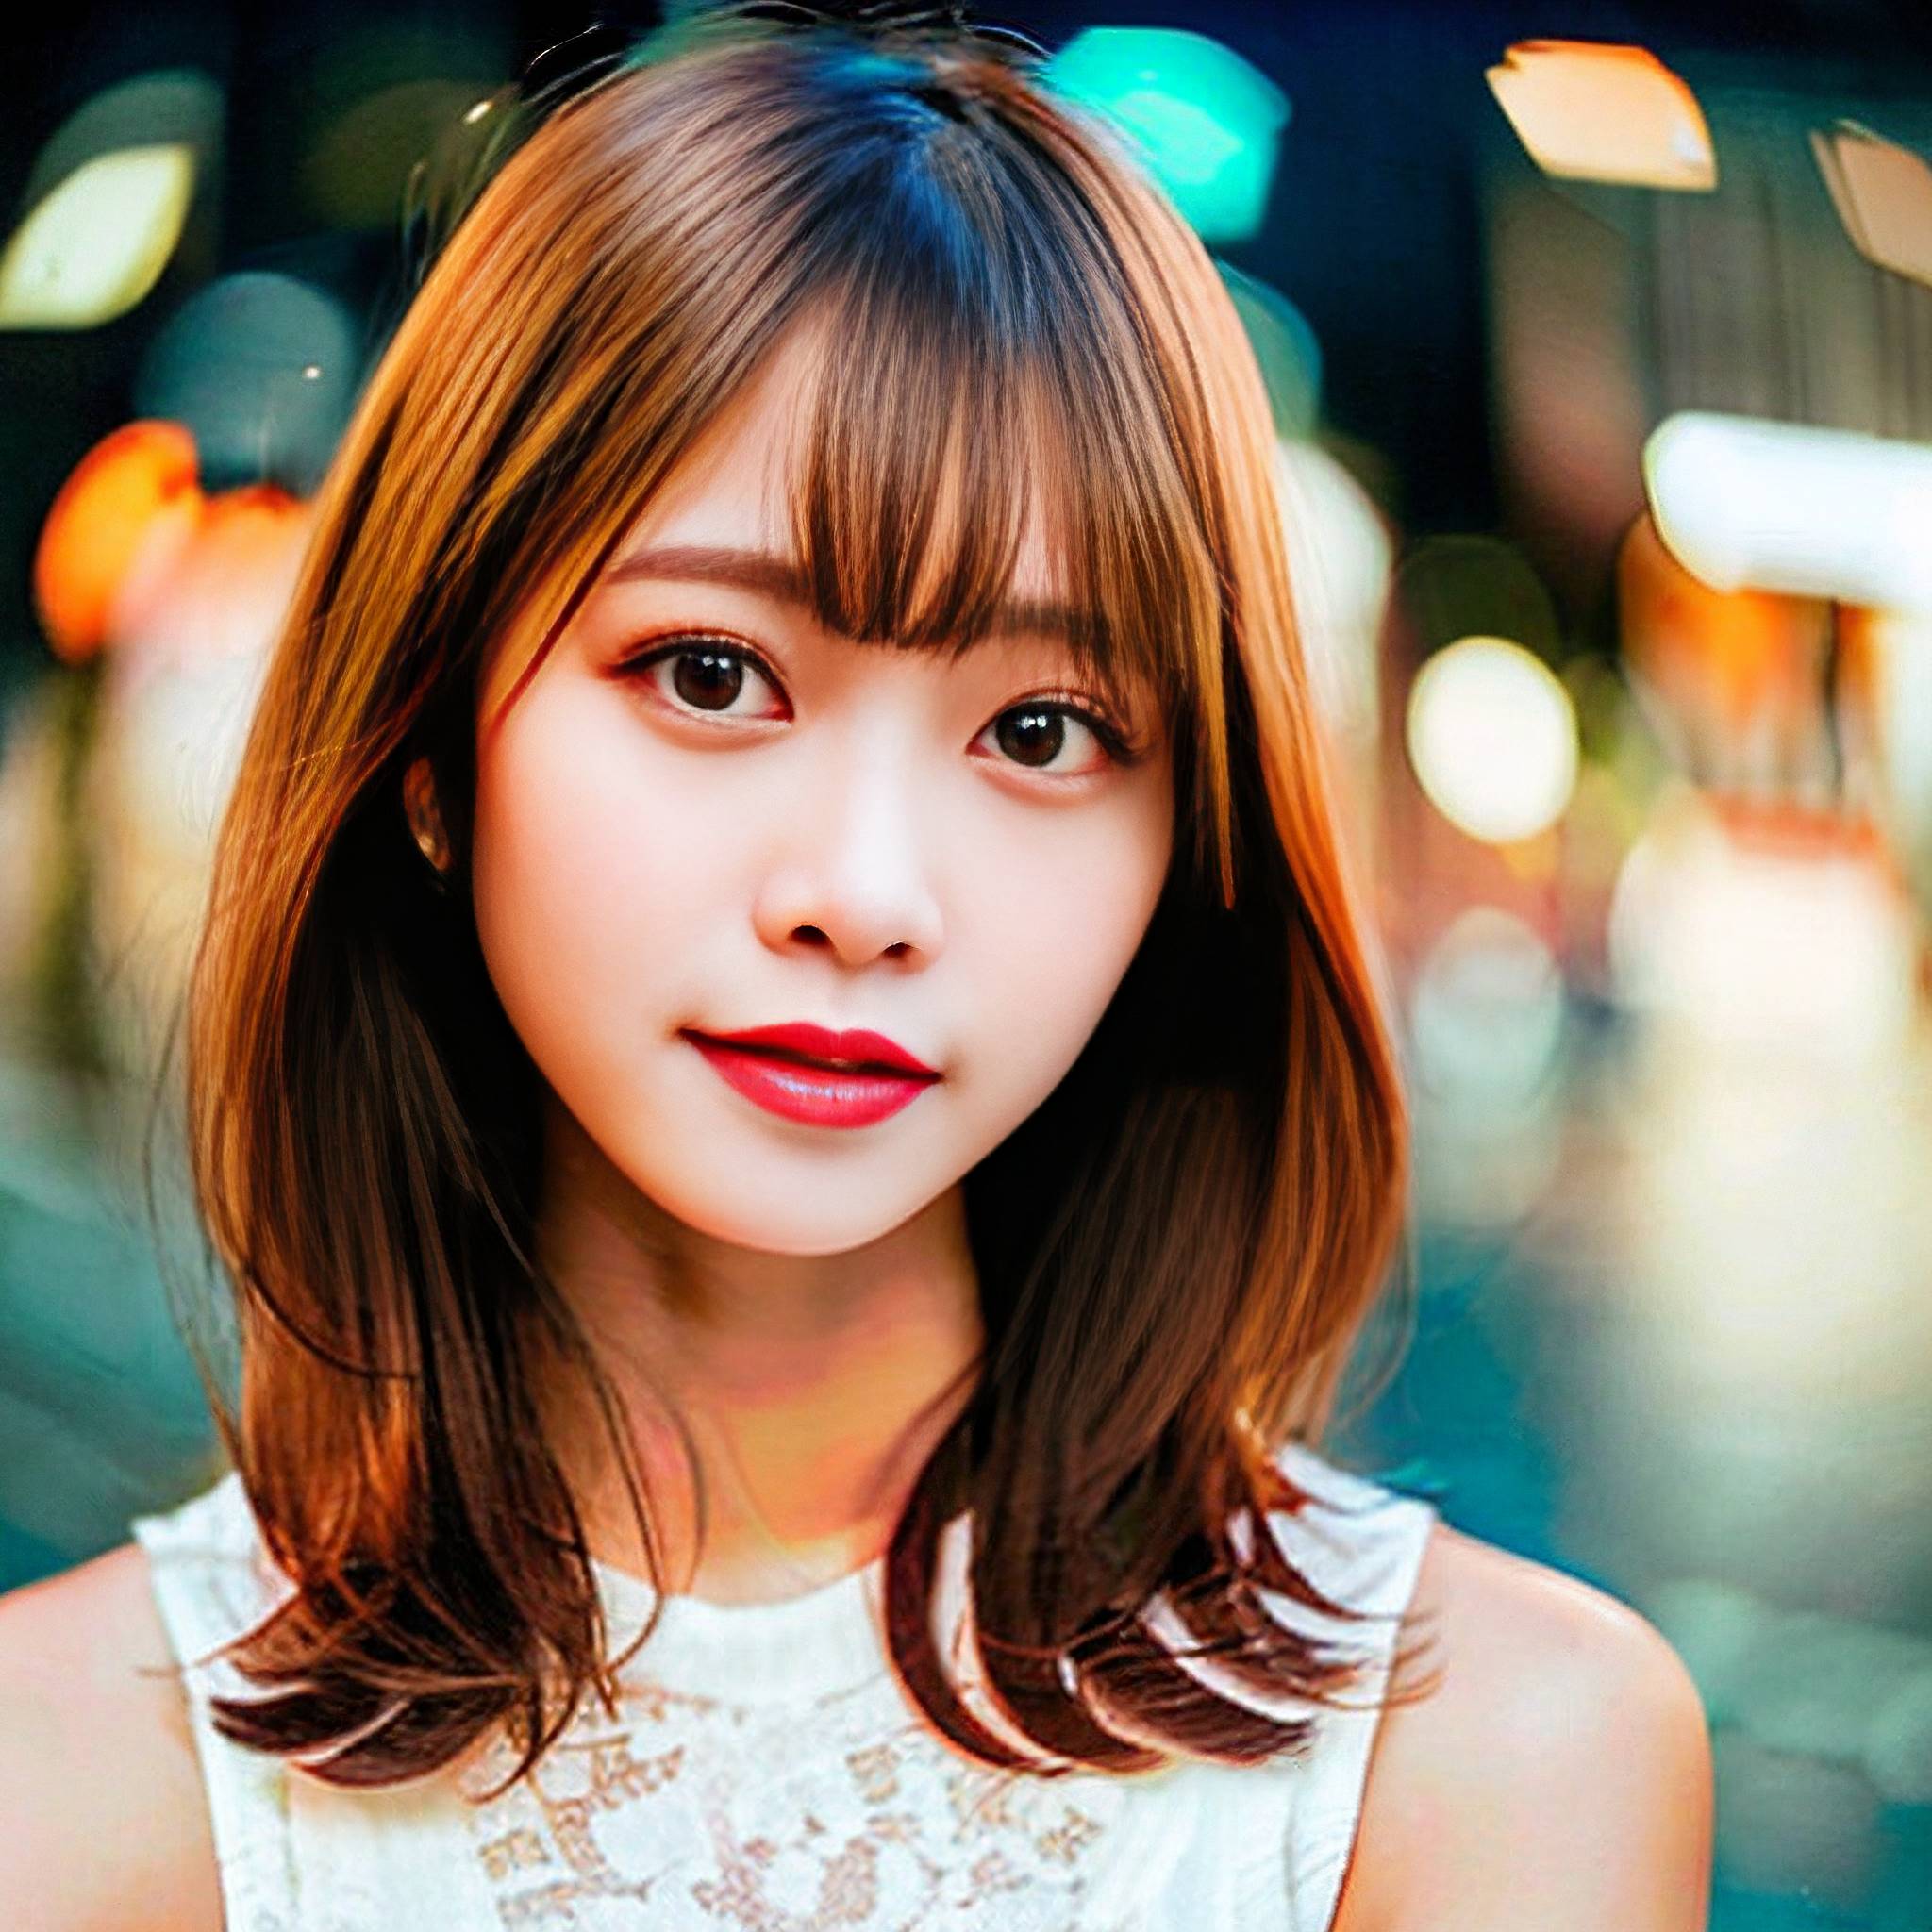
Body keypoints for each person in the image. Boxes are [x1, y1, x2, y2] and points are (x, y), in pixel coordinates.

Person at [0, 6, 1714, 1926]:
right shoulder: (62, 1783)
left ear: (1189, 843)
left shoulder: (1495, 1762)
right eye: (712, 673)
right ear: (426, 752)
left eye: (1045, 728)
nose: (867, 891)